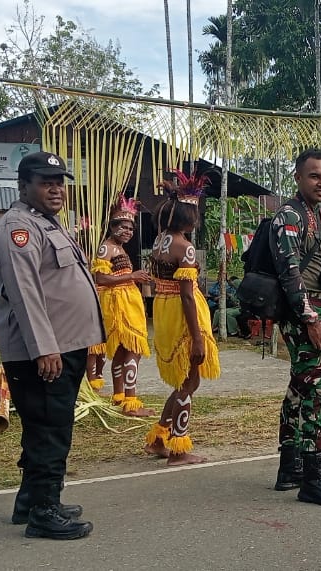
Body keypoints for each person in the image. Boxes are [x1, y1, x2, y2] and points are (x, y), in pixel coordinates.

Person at [0, 151, 102, 539]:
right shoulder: (17, 228)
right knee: (49, 429)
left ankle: (31, 502)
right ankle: (44, 512)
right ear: (23, 186)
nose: (56, 190)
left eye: (59, 183)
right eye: (45, 183)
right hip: (43, 350)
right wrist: (44, 348)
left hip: (63, 344)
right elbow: (24, 292)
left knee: (47, 426)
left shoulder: (45, 223)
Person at [269, 148, 321, 507]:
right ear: (299, 178)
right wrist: (312, 320)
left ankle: (291, 466)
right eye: (315, 176)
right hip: (303, 313)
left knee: (300, 387)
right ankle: (314, 476)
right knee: (318, 391)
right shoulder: (289, 216)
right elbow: (290, 274)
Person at [143, 171, 221, 466]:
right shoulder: (184, 248)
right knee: (189, 382)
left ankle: (159, 439)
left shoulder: (159, 241)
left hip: (164, 309)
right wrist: (198, 338)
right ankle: (178, 449)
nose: (197, 219)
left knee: (182, 382)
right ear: (188, 216)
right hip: (182, 313)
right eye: (195, 214)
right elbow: (188, 296)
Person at [91, 197, 156, 418]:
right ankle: (131, 402)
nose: (128, 232)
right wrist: (132, 276)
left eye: (131, 228)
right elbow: (100, 278)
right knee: (132, 350)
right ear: (112, 227)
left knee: (120, 353)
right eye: (124, 227)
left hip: (125, 300)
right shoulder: (106, 248)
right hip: (119, 304)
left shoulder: (117, 248)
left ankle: (119, 397)